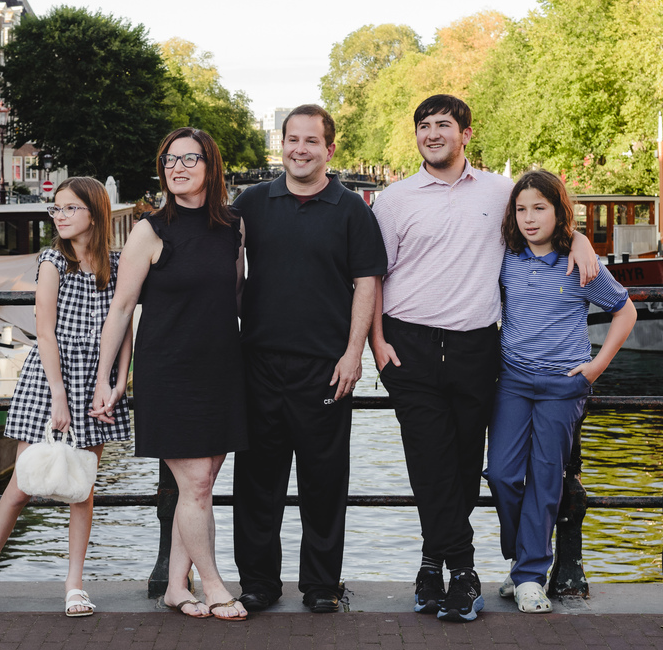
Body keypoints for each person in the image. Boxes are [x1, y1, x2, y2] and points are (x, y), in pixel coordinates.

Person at [370, 94, 598, 623]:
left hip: (476, 347)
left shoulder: (499, 191)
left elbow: (542, 213)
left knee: (468, 464)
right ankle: (465, 569)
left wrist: (581, 238)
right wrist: (377, 344)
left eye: (443, 125)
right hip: (410, 344)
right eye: (424, 126)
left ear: (466, 134)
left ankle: (433, 563)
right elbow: (372, 277)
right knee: (429, 463)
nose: (432, 134)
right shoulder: (394, 200)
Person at [0, 177, 131, 620]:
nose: (60, 216)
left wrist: (120, 380)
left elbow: (124, 327)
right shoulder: (53, 260)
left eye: (69, 208)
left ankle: (73, 585)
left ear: (95, 212)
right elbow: (45, 332)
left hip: (98, 379)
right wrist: (59, 398)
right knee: (20, 485)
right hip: (51, 378)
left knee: (81, 487)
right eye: (56, 209)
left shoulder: (117, 263)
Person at [230, 104, 387, 614]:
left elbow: (368, 282)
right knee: (256, 483)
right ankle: (258, 582)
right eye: (292, 139)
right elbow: (214, 256)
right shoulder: (250, 202)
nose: (300, 149)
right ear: (282, 144)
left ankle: (321, 586)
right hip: (258, 362)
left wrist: (352, 353)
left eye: (311, 141)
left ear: (330, 149)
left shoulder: (352, 210)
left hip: (325, 367)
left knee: (323, 481)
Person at [91, 127, 248, 621]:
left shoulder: (235, 228)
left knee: (196, 488)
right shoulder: (148, 230)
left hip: (223, 368)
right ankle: (216, 585)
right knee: (198, 485)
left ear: (211, 165)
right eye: (169, 160)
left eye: (189, 158)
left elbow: (238, 297)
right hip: (170, 372)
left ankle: (176, 587)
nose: (177, 167)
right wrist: (108, 379)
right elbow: (120, 310)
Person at [486, 170, 635, 614]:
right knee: (502, 474)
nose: (530, 219)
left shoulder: (580, 262)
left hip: (563, 385)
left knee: (547, 480)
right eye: (521, 209)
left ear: (558, 212)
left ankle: (531, 574)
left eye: (540, 208)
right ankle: (522, 560)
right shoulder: (505, 257)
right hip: (511, 380)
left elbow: (624, 313)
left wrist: (595, 367)